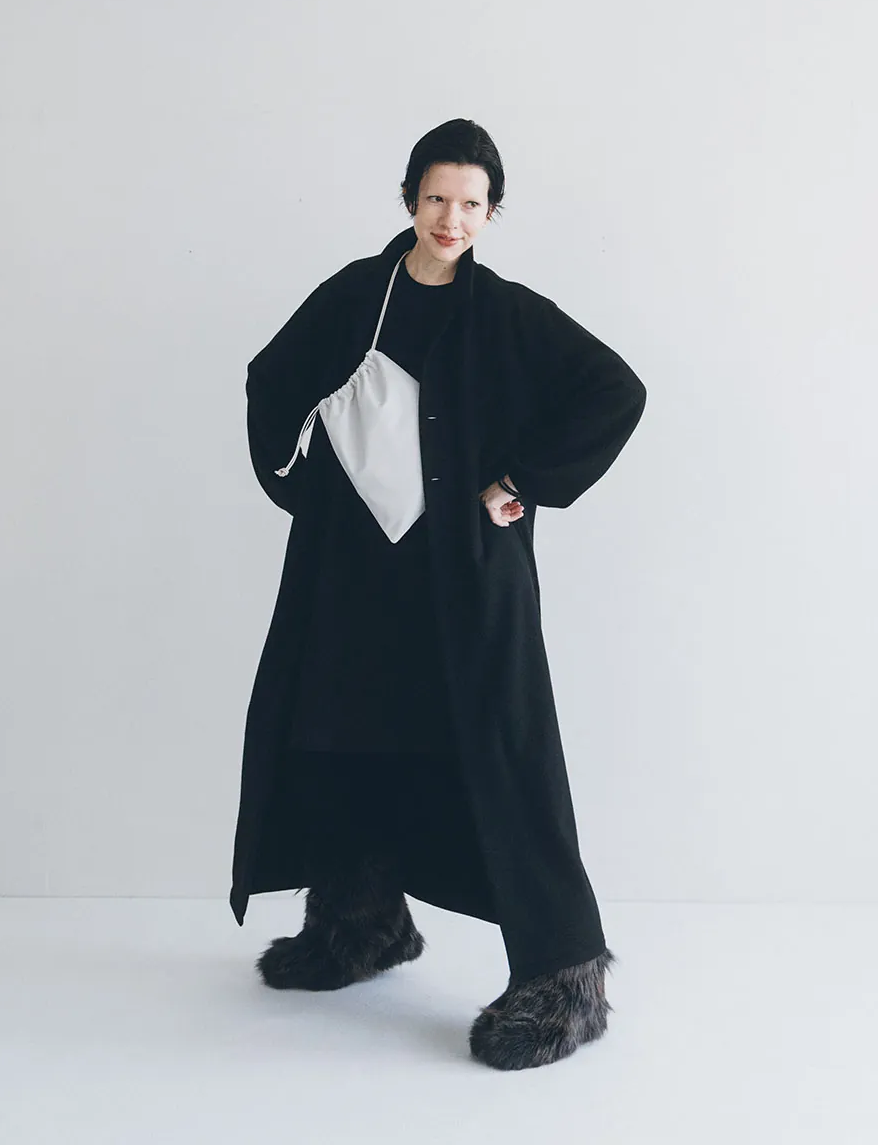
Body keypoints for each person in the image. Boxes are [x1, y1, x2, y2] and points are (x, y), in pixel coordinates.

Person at [229, 118, 647, 1071]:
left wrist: (521, 481)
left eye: (470, 202)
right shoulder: (355, 295)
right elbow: (271, 379)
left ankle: (564, 978)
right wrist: (304, 486)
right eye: (435, 198)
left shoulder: (509, 315)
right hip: (354, 569)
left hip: (466, 571)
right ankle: (359, 923)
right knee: (340, 725)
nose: (450, 218)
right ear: (410, 200)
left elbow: (616, 391)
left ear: (491, 212)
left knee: (504, 748)